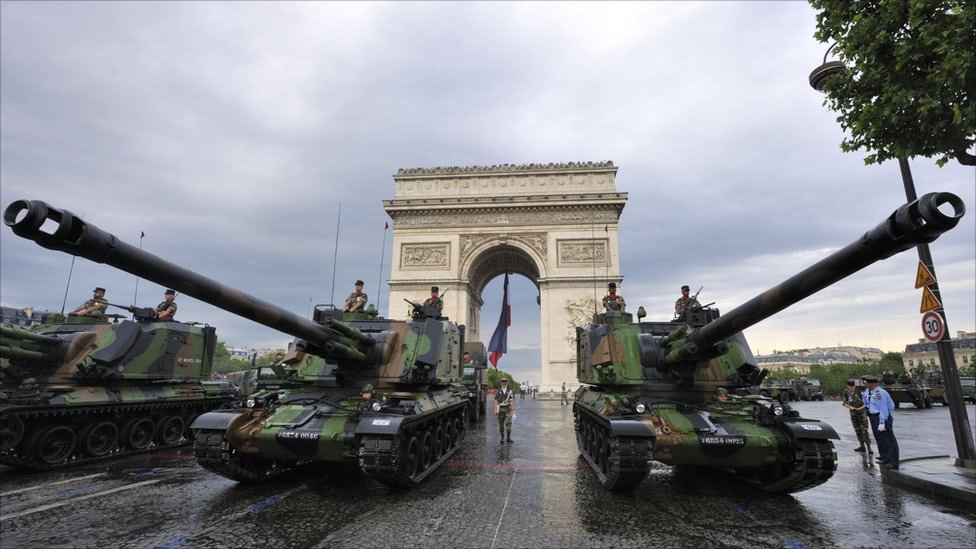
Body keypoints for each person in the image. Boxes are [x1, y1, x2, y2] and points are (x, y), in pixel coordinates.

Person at [862, 375, 899, 469]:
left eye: (868, 383)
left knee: (889, 439)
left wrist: (882, 422)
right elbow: (867, 403)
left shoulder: (880, 393)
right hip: (874, 416)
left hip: (882, 417)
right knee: (880, 438)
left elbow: (884, 408)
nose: (866, 384)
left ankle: (893, 461)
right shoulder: (870, 392)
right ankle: (885, 457)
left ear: (873, 383)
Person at [843, 379, 873, 454]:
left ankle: (869, 447)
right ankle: (862, 446)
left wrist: (860, 408)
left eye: (853, 386)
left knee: (864, 431)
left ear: (855, 386)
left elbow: (866, 402)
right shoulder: (846, 392)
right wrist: (850, 407)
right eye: (850, 386)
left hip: (862, 414)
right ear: (847, 386)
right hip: (853, 414)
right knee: (858, 431)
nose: (851, 388)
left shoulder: (860, 391)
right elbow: (844, 403)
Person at [494, 378, 516, 443]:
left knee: (508, 424)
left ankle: (508, 438)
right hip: (500, 410)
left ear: (507, 383)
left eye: (505, 381)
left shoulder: (510, 391)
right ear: (501, 383)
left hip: (508, 410)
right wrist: (495, 409)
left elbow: (511, 401)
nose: (504, 382)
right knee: (501, 425)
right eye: (503, 381)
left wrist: (513, 410)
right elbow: (496, 400)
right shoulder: (498, 391)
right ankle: (502, 438)